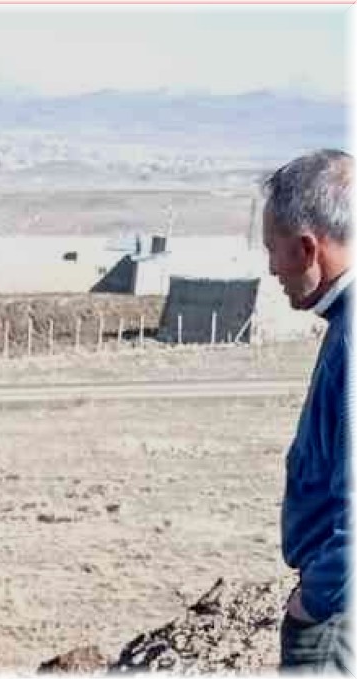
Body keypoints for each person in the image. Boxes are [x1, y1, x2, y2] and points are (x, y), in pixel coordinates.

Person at [262, 149, 352, 673]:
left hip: (337, 617)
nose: (272, 269)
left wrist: (315, 601)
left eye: (272, 250)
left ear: (306, 247)